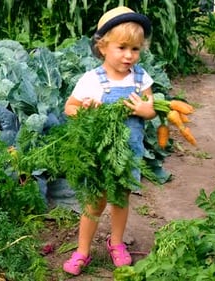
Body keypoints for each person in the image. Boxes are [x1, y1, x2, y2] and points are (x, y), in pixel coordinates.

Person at [62, 6, 156, 275]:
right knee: (94, 201)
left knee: (121, 199)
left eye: (135, 49)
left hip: (127, 153)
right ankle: (82, 250)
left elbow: (151, 110)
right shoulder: (92, 79)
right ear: (103, 47)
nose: (129, 55)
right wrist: (87, 109)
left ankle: (116, 243)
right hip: (99, 153)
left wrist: (142, 110)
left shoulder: (141, 78)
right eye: (122, 47)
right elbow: (70, 108)